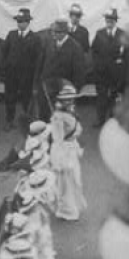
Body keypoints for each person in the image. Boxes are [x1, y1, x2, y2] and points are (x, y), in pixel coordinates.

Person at [49, 85, 87, 221]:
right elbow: (57, 139)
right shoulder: (58, 117)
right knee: (65, 181)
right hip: (63, 151)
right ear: (60, 101)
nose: (70, 102)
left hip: (71, 149)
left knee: (74, 180)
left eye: (71, 99)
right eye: (66, 100)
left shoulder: (70, 113)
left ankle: (71, 207)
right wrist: (60, 159)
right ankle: (67, 210)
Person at [37, 19, 88, 121]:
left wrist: (74, 91)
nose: (53, 34)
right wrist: (39, 82)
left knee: (62, 118)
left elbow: (79, 73)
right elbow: (41, 63)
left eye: (57, 32)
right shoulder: (48, 43)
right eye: (52, 31)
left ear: (65, 33)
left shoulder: (76, 48)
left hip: (64, 90)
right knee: (45, 116)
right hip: (47, 88)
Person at [1, 9, 40, 132]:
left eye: (22, 21)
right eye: (18, 21)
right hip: (11, 73)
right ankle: (9, 120)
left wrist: (34, 75)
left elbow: (37, 58)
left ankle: (27, 122)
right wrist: (7, 66)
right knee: (10, 97)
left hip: (27, 75)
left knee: (26, 99)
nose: (20, 24)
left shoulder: (35, 38)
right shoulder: (11, 35)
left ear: (28, 22)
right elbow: (4, 51)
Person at [90, 9, 126, 128]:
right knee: (101, 96)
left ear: (115, 21)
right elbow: (94, 51)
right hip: (101, 72)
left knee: (114, 97)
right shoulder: (99, 33)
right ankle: (100, 120)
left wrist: (121, 63)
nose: (109, 22)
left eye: (111, 19)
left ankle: (112, 121)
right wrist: (97, 65)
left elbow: (126, 53)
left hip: (116, 72)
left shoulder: (122, 34)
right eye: (107, 19)